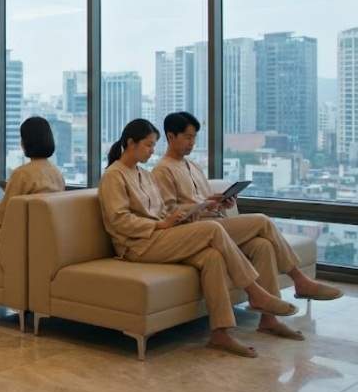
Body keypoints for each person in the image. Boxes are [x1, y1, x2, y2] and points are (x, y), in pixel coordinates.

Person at [100, 118, 300, 358]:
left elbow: (162, 210)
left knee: (211, 257)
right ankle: (255, 292)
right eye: (148, 145)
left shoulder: (144, 174)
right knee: (214, 230)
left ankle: (220, 333)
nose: (152, 151)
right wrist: (162, 224)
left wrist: (182, 215)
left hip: (161, 235)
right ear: (130, 143)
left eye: (154, 145)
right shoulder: (113, 176)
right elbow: (119, 220)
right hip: (137, 245)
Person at [152, 111, 342, 340]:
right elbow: (171, 213)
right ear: (171, 137)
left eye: (194, 138)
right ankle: (300, 280)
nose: (192, 143)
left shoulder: (192, 166)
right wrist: (202, 207)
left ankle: (269, 320)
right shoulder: (162, 170)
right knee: (262, 220)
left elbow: (203, 201)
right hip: (198, 232)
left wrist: (220, 202)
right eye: (187, 138)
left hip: (217, 223)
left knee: (262, 245)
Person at [0, 117, 66, 247]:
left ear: (25, 142)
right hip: (44, 236)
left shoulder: (22, 174)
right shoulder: (57, 173)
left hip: (16, 237)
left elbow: (3, 217)